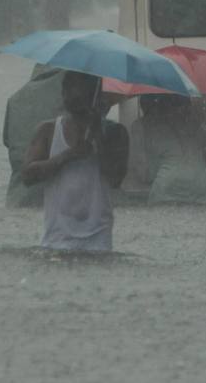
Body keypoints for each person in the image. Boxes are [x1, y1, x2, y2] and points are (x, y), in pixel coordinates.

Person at [20, 71, 129, 252]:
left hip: (99, 241)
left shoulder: (116, 133)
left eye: (80, 90)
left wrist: (99, 137)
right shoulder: (47, 131)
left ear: (95, 96)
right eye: (67, 89)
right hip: (56, 240)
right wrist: (68, 156)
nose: (71, 95)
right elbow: (27, 176)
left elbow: (116, 178)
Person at [130, 94, 206, 205]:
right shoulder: (192, 124)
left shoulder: (143, 125)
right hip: (203, 185)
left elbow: (142, 168)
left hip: (167, 185)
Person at [1, 64, 65, 208]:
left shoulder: (15, 99)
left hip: (18, 196)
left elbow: (7, 140)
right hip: (57, 194)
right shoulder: (70, 98)